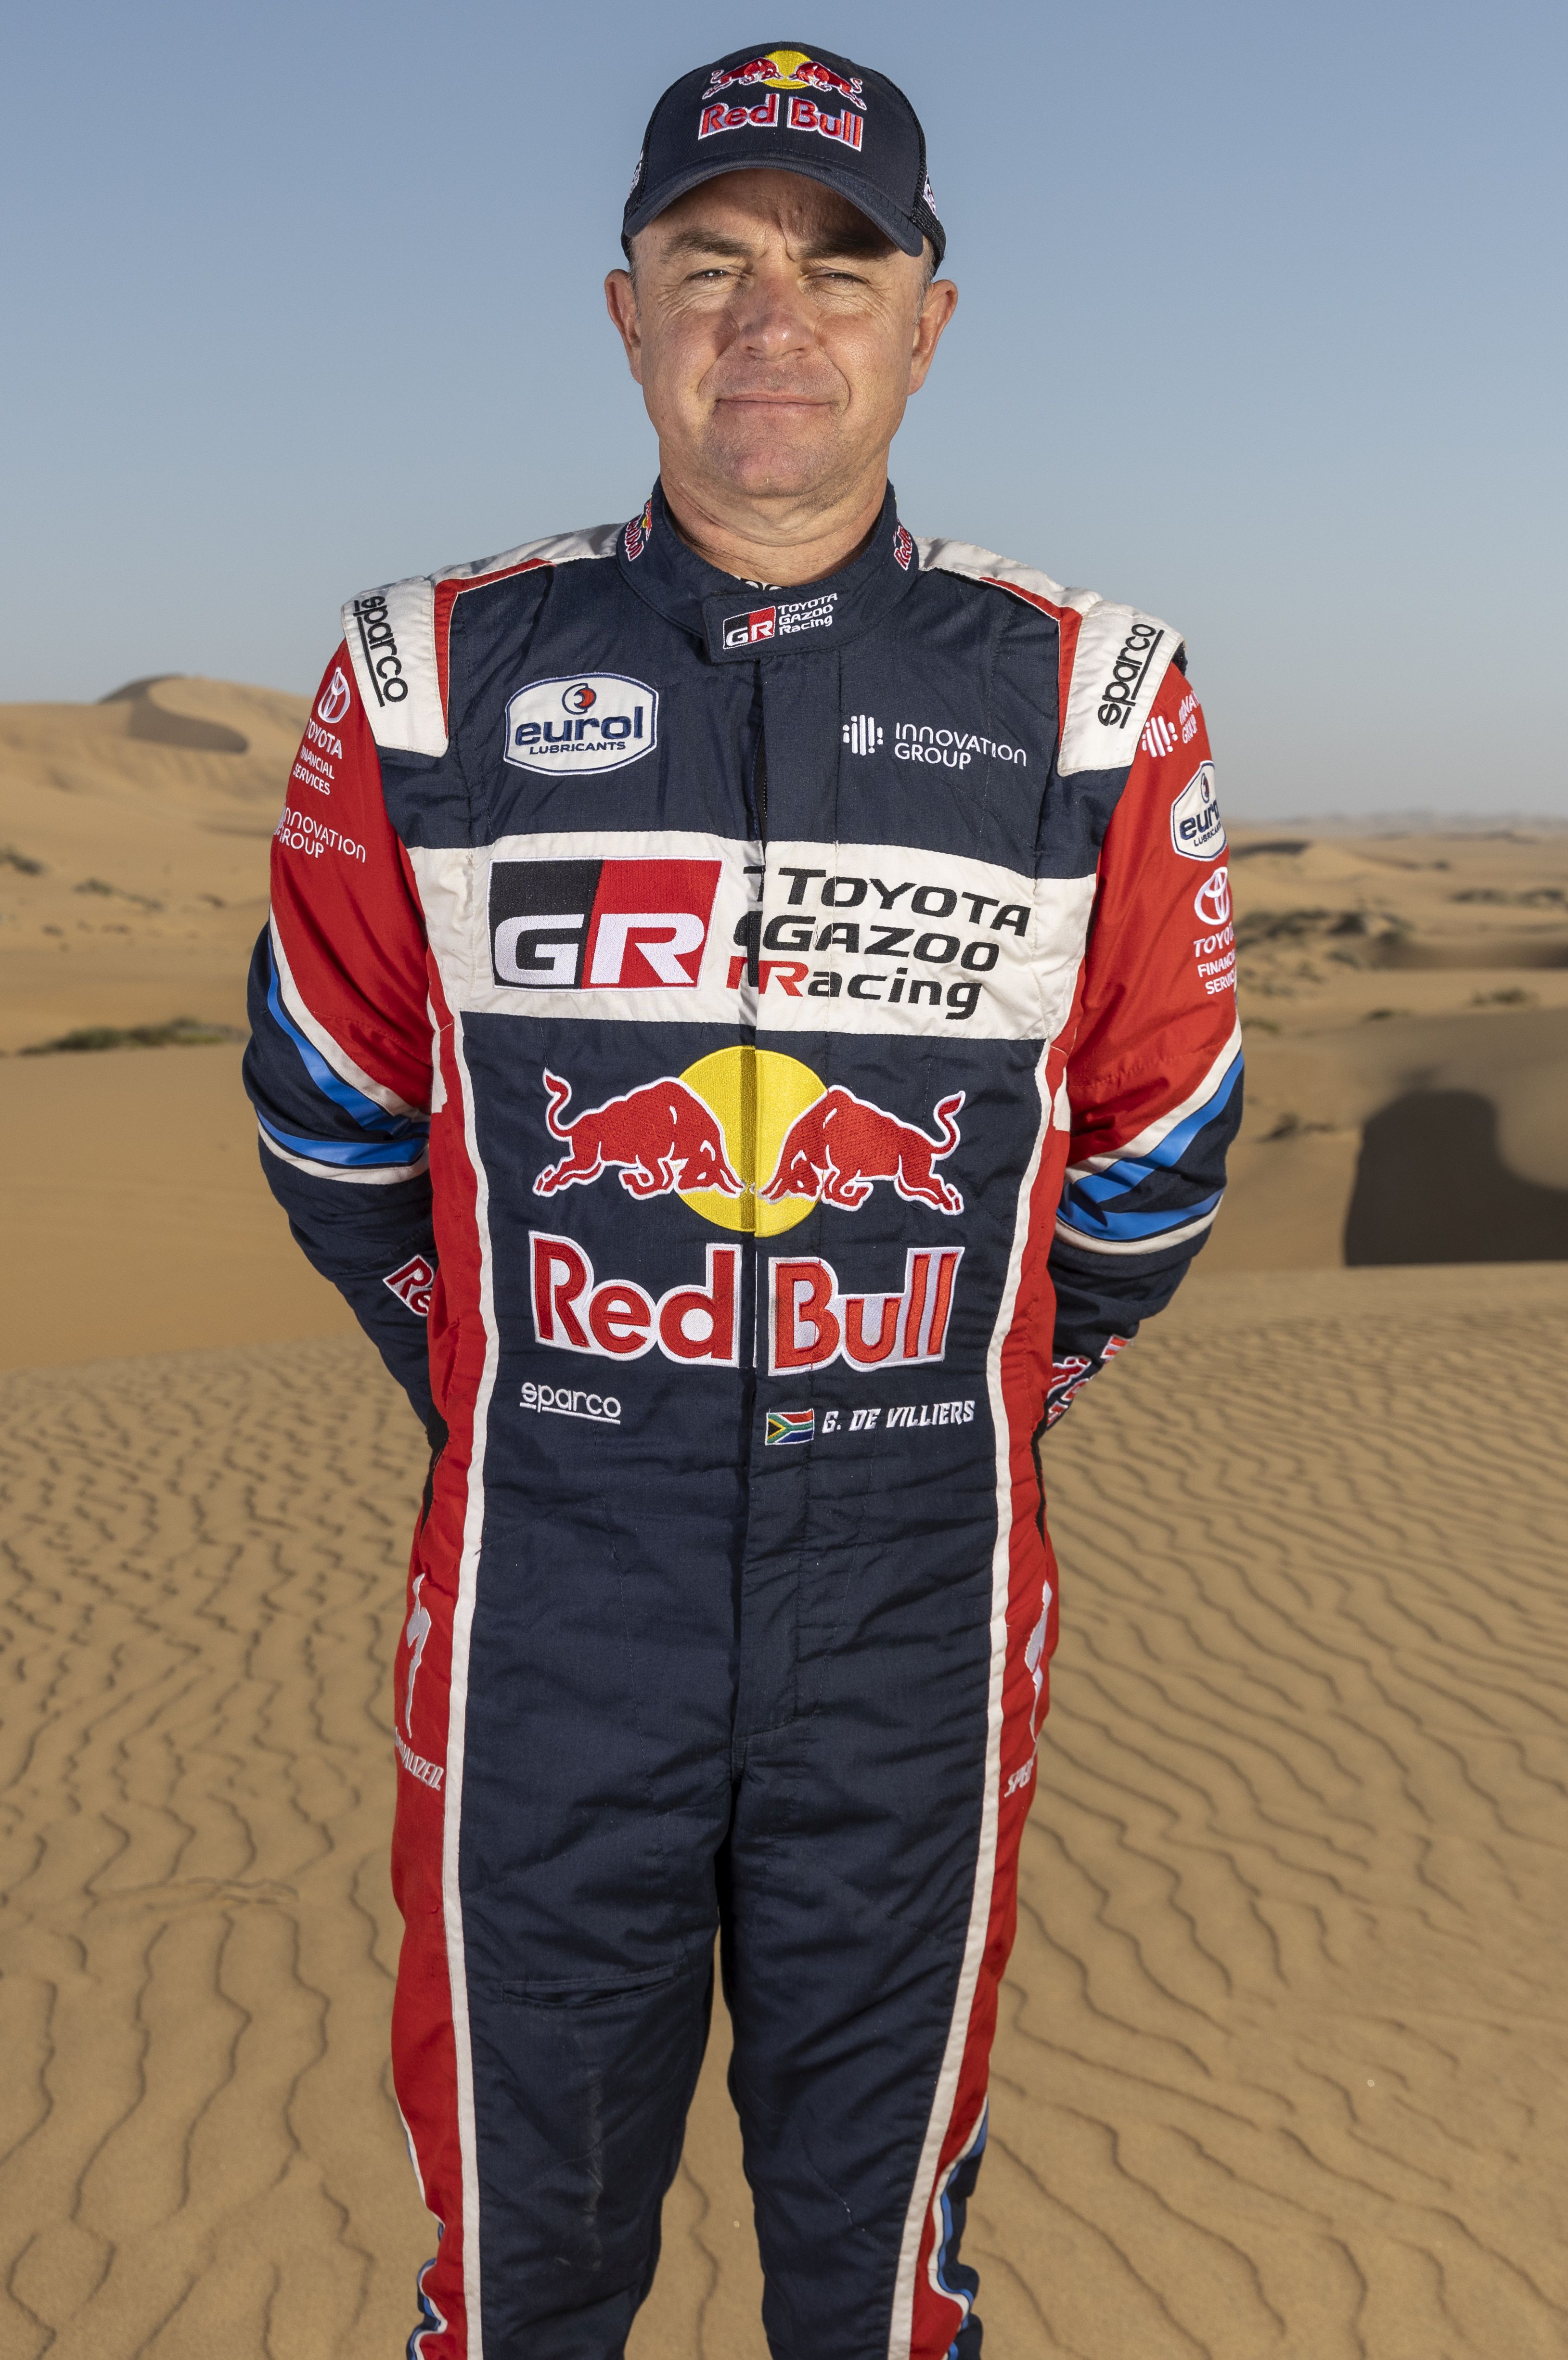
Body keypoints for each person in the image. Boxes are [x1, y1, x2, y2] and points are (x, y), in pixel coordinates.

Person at [243, 38, 1241, 2360]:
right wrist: (530, 1388)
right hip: (545, 1597)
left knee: (874, 2286)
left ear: (926, 325)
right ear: (626, 317)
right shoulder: (422, 673)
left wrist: (956, 1401)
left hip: (912, 1607)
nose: (769, 321)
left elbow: (1159, 1145)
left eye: (835, 269)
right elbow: (326, 1113)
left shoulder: (1097, 693)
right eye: (708, 267)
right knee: (521, 2272)